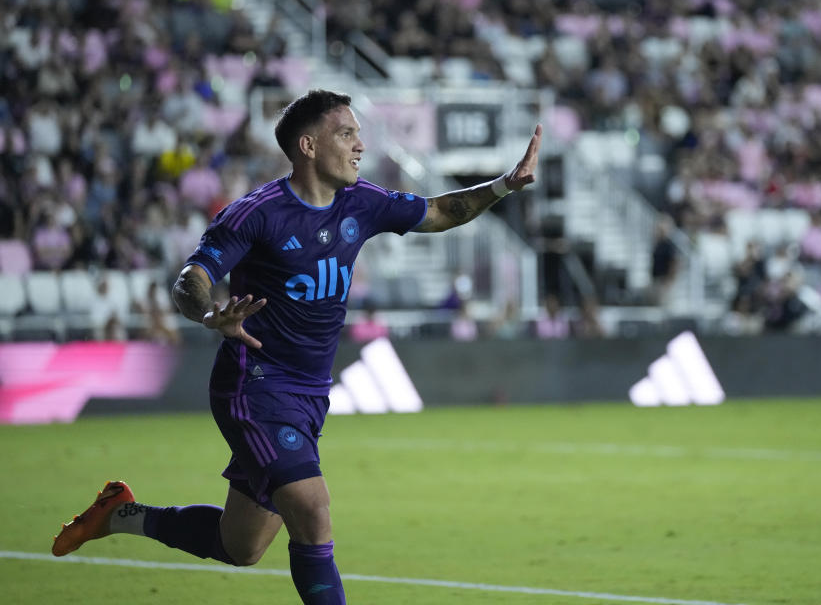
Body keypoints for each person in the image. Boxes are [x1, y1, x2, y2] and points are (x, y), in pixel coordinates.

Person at [51, 89, 542, 604]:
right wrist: (209, 314)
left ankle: (121, 514)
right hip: (255, 386)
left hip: (309, 394)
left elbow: (441, 211)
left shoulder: (362, 202)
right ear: (308, 145)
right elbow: (190, 279)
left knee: (240, 546)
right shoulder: (256, 214)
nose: (360, 145)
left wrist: (505, 186)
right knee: (312, 510)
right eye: (347, 133)